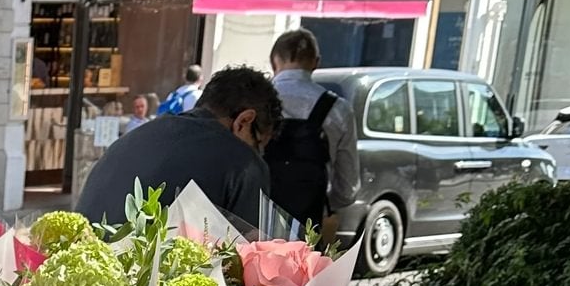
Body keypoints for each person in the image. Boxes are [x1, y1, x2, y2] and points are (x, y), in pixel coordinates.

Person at [76, 64, 282, 232]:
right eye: (258, 144)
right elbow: (250, 256)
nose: (257, 153)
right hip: (139, 269)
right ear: (244, 121)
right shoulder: (244, 163)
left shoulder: (136, 136)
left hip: (78, 258)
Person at [267, 28, 359, 231]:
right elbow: (348, 189)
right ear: (316, 63)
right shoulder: (338, 109)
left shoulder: (254, 101)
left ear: (273, 61)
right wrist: (321, 203)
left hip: (253, 222)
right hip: (309, 225)